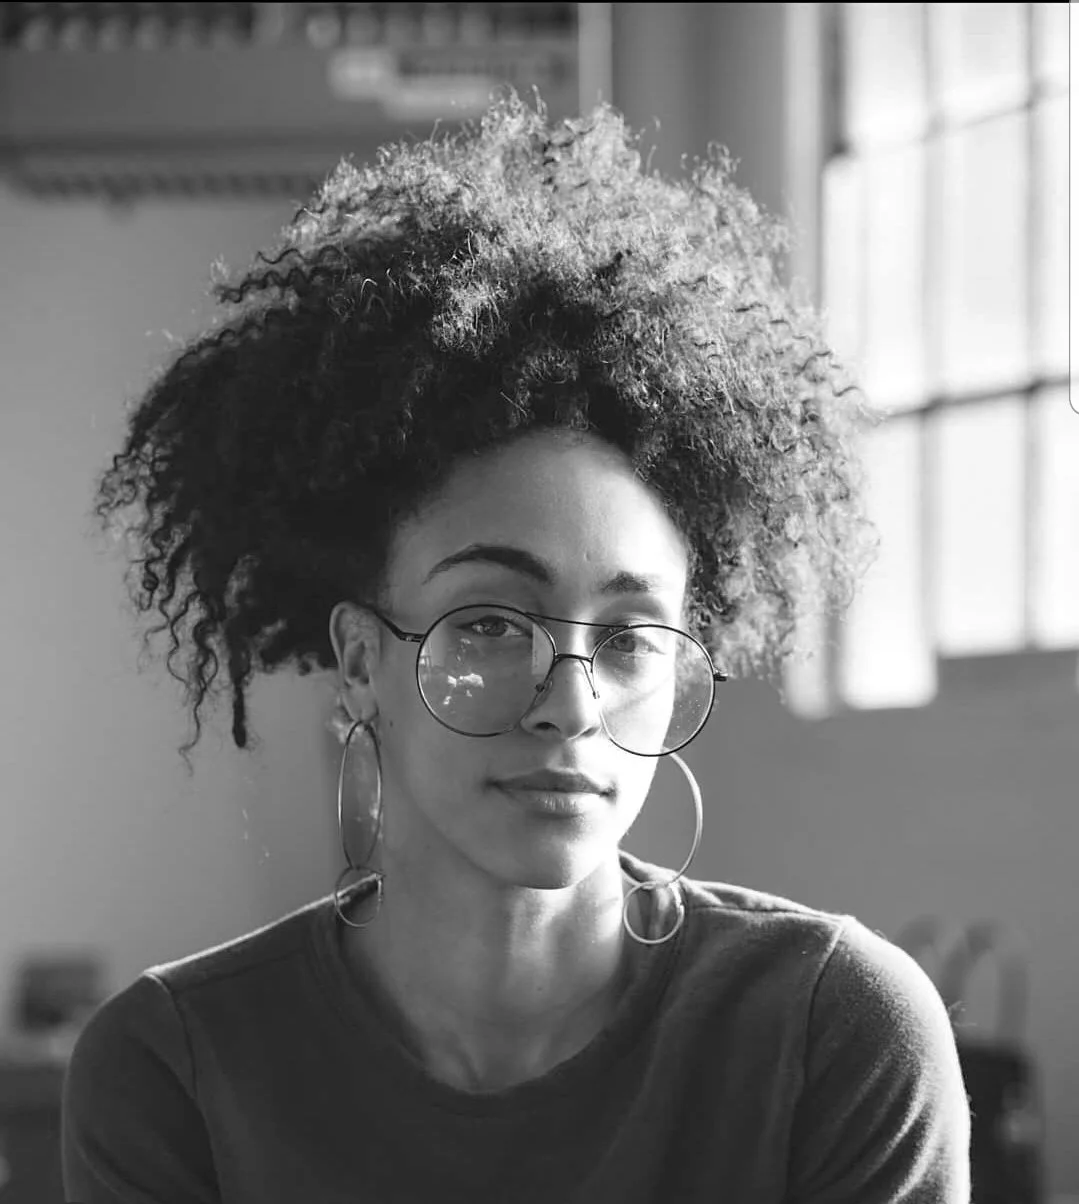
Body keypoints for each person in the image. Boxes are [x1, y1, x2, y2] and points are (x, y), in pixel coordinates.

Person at [65, 94, 971, 1203]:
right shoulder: (175, 1067)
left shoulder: (836, 1030)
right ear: (359, 662)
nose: (570, 705)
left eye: (631, 635)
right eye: (491, 624)